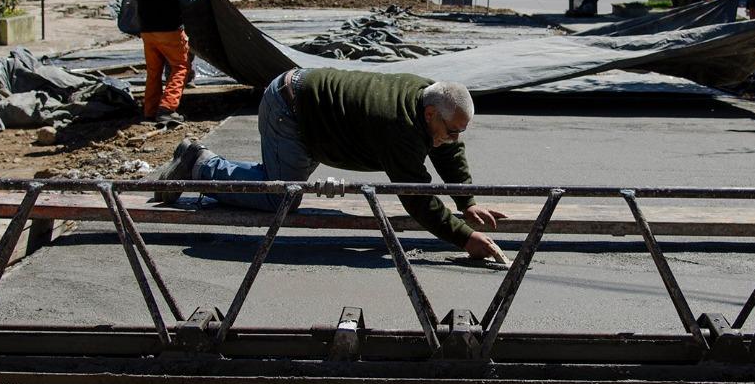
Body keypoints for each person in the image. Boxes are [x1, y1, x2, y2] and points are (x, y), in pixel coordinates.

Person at [156, 68, 511, 264]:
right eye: (452, 131)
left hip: (312, 111)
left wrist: (468, 202)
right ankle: (200, 165)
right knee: (280, 198)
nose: (453, 139)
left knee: (279, 180)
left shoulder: (427, 95)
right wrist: (464, 238)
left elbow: (447, 151)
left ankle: (233, 170)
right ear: (431, 114)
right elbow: (416, 196)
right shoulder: (398, 127)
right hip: (290, 112)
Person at [119, 0, 210, 125]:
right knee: (180, 67)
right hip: (170, 27)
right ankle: (167, 109)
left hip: (147, 30)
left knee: (154, 71)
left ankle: (150, 111)